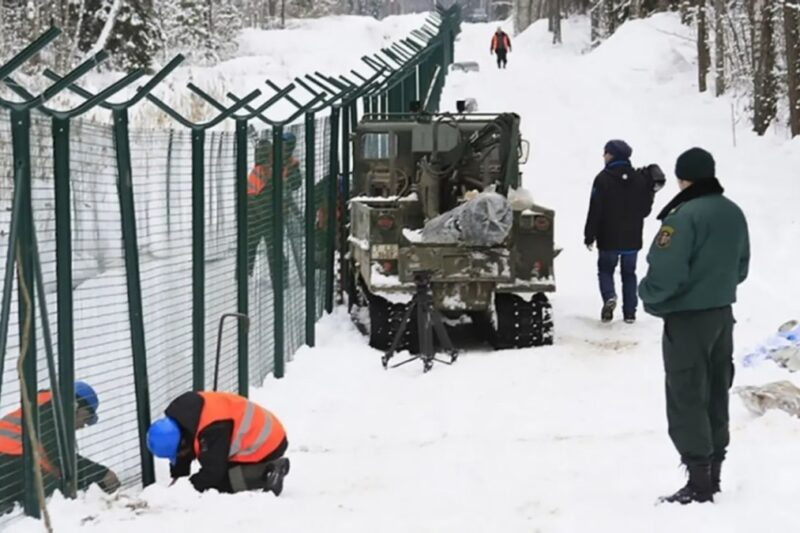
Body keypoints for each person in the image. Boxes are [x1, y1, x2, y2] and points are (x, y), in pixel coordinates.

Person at [639, 147, 750, 505]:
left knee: (687, 393)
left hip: (688, 320)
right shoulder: (733, 212)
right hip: (722, 315)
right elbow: (741, 267)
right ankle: (714, 473)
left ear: (682, 178)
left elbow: (666, 272)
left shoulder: (683, 217)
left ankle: (699, 482)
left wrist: (648, 295)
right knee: (717, 390)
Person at [0, 381, 120, 515]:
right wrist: (101, 474)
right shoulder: (51, 409)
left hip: (12, 462)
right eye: (86, 418)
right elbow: (59, 458)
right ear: (75, 406)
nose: (83, 425)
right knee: (58, 490)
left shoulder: (46, 402)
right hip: (11, 463)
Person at [147, 391, 290, 496]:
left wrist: (188, 488)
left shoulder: (212, 430)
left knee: (223, 481)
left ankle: (268, 472)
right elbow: (184, 451)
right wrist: (178, 477)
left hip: (267, 442)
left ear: (183, 442)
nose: (179, 456)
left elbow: (213, 472)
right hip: (263, 430)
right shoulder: (184, 416)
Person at [584, 140, 655, 323]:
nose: (603, 156)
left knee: (605, 270)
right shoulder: (639, 179)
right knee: (629, 274)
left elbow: (595, 209)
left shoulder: (602, 179)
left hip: (608, 237)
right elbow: (645, 210)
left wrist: (589, 235)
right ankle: (630, 313)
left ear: (612, 155)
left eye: (605, 153)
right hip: (632, 238)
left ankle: (609, 296)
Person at [246, 132, 303, 281]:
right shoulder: (265, 164)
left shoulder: (290, 165)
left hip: (274, 214)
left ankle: (280, 283)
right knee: (249, 247)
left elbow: (296, 184)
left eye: (286, 146)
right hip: (256, 212)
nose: (283, 149)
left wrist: (289, 176)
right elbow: (251, 193)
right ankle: (243, 279)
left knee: (274, 250)